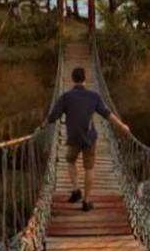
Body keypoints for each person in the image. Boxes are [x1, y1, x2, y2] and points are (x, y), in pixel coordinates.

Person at [43, 67, 130, 211]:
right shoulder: (94, 96)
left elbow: (53, 116)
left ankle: (76, 189)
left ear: (72, 79)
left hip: (73, 137)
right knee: (89, 168)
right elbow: (106, 114)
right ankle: (87, 201)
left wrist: (43, 125)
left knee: (71, 161)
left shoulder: (66, 97)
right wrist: (122, 126)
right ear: (85, 79)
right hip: (89, 137)